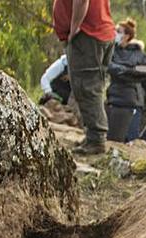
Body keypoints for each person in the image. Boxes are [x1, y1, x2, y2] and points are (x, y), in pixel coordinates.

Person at [53, 0, 116, 155]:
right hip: (100, 32)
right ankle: (93, 136)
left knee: (86, 87)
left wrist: (74, 28)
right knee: (93, 86)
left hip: (87, 34)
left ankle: (96, 140)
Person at [106, 19, 146, 142]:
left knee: (131, 141)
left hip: (132, 103)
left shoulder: (140, 55)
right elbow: (109, 66)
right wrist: (131, 71)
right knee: (112, 140)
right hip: (114, 101)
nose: (115, 33)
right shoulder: (111, 51)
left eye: (118, 31)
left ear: (127, 36)